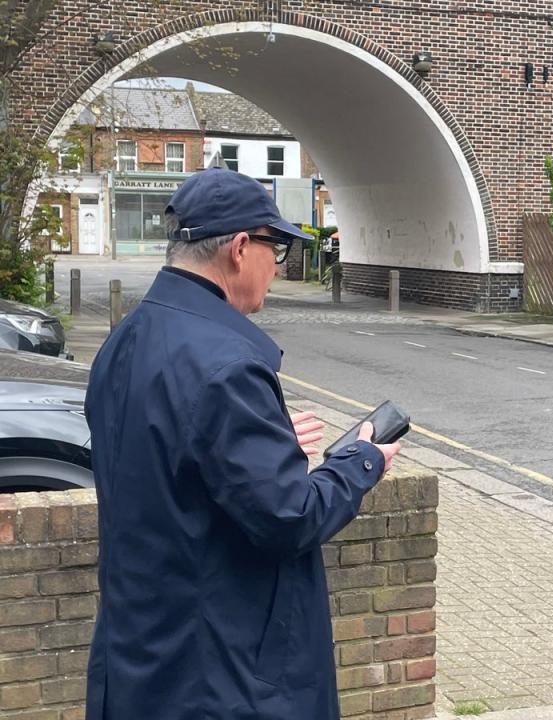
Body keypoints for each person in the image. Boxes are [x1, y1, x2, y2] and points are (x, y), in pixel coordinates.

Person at [84, 167, 401, 720]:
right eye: (274, 248)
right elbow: (289, 518)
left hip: (138, 658)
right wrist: (361, 460)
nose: (276, 269)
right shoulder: (227, 366)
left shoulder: (125, 339)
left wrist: (273, 447)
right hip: (217, 677)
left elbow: (170, 465)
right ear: (238, 248)